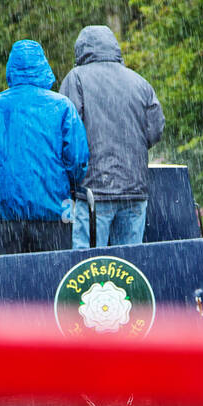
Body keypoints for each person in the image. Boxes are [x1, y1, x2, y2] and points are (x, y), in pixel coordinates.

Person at [59, 25, 165, 249]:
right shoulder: (140, 82)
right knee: (128, 268)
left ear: (81, 50)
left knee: (88, 270)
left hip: (93, 194)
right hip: (135, 191)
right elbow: (155, 131)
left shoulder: (76, 79)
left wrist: (74, 175)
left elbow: (66, 135)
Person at [0, 39, 88, 254]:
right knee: (53, 277)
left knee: (8, 280)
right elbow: (77, 159)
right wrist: (68, 184)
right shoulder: (61, 106)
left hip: (8, 212)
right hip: (53, 209)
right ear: (43, 66)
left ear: (11, 68)